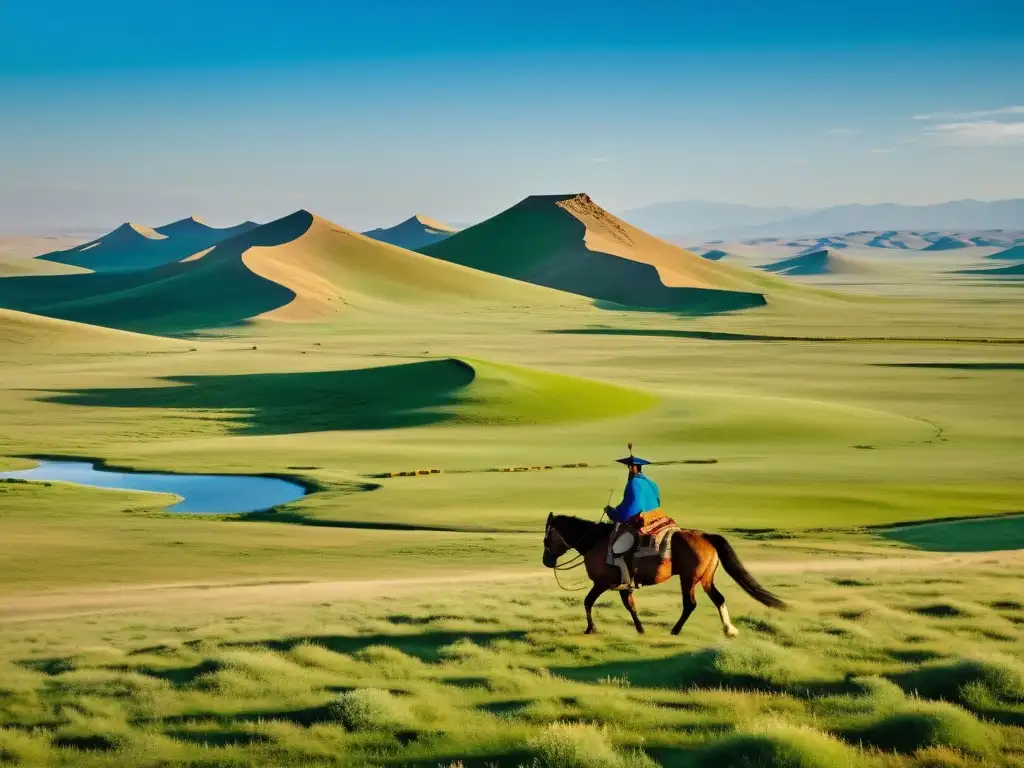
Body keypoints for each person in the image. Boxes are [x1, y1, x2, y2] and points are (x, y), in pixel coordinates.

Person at [604, 448, 661, 589]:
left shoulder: (634, 483)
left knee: (616, 549)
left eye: (629, 467)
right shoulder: (650, 482)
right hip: (657, 517)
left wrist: (613, 513)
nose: (628, 470)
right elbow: (656, 501)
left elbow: (632, 507)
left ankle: (625, 581)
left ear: (633, 467)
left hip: (641, 520)